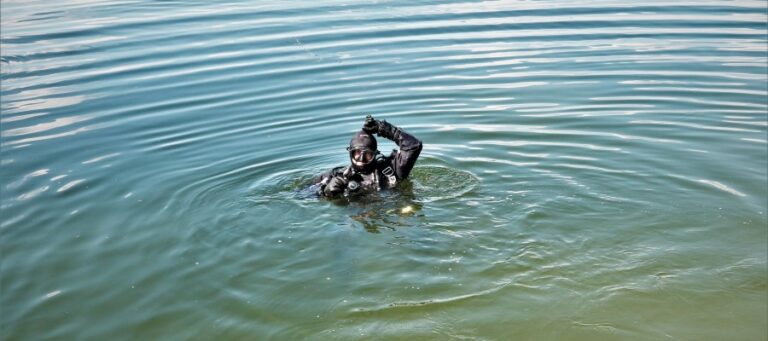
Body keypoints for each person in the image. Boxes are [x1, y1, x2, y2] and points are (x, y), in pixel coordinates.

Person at [314, 115, 422, 198]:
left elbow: (413, 145)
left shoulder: (392, 169)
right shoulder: (334, 175)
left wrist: (384, 129)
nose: (361, 159)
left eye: (367, 154)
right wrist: (325, 191)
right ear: (350, 153)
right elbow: (301, 196)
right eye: (356, 153)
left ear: (375, 154)